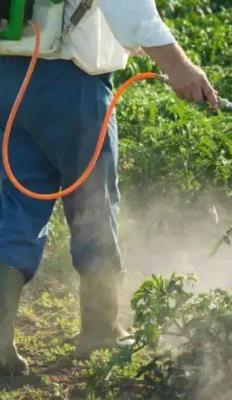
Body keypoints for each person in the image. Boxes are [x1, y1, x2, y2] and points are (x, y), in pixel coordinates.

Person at [0, 0, 219, 376]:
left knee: (15, 205)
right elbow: (130, 9)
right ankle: (101, 331)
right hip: (72, 85)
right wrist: (179, 67)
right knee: (93, 206)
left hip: (10, 78)